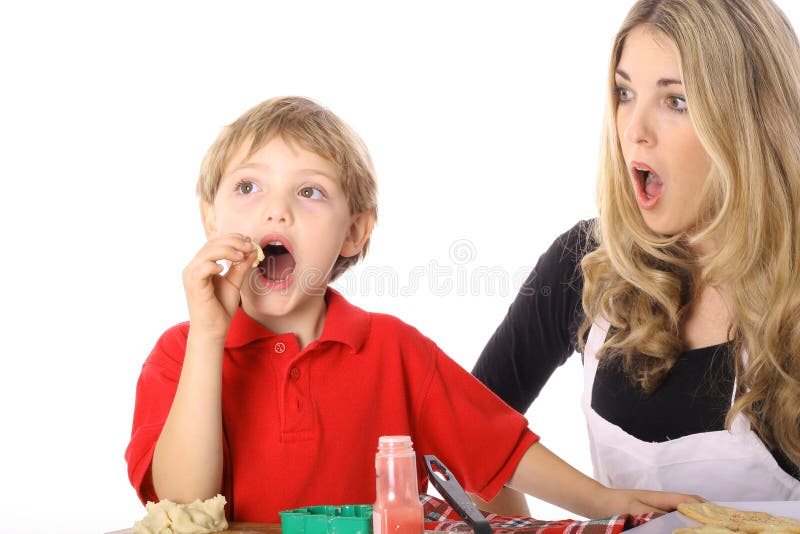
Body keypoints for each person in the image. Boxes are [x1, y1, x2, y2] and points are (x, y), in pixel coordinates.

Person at [125, 96, 698, 522]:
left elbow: (497, 446)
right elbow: (182, 506)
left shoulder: (393, 349)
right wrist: (207, 337)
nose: (276, 212)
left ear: (354, 232)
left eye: (309, 192)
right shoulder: (180, 354)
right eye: (248, 188)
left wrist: (604, 500)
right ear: (209, 218)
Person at [473, 0, 800, 510]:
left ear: (750, 119)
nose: (634, 130)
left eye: (676, 101)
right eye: (625, 94)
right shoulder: (586, 265)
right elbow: (466, 438)